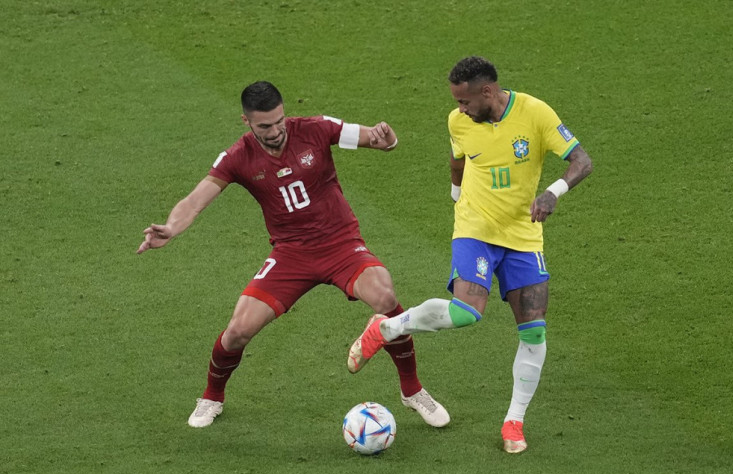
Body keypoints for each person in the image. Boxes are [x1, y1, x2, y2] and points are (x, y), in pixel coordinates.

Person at [138, 80, 449, 429]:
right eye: (264, 126)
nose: (275, 132)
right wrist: (171, 227)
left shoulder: (316, 129)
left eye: (279, 121)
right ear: (246, 121)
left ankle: (412, 390)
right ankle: (212, 396)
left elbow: (375, 139)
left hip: (341, 244)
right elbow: (196, 200)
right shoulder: (238, 157)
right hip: (291, 255)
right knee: (238, 330)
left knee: (385, 296)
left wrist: (386, 139)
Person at [348, 56, 592, 453]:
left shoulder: (535, 114)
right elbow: (457, 159)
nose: (459, 110)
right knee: (466, 312)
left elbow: (582, 161)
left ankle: (513, 422)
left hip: (523, 236)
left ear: (488, 92)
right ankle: (387, 329)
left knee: (534, 331)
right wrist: (457, 196)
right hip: (475, 229)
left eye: (464, 101)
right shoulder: (458, 121)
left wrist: (553, 193)